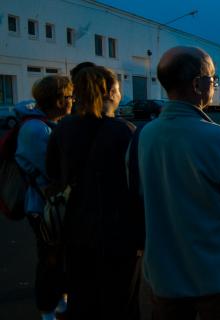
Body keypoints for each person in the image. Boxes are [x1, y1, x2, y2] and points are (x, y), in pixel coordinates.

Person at [136, 46, 220, 320]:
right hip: (219, 278)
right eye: (212, 79)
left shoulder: (144, 136)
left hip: (164, 279)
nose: (214, 85)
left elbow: (137, 197)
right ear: (197, 84)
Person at [46, 66, 142, 319]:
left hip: (75, 231)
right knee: (121, 304)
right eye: (119, 89)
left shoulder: (63, 129)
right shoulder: (126, 131)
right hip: (119, 235)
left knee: (83, 302)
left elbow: (53, 176)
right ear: (111, 92)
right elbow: (137, 186)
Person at [15, 75, 73, 320]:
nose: (73, 100)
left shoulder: (47, 124)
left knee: (60, 257)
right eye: (69, 96)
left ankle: (60, 300)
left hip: (52, 205)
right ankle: (47, 309)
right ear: (58, 100)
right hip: (42, 207)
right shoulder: (36, 129)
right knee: (49, 259)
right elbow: (53, 171)